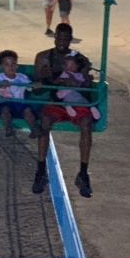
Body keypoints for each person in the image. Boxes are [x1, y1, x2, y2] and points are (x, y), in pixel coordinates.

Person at [32, 24, 95, 197]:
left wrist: (79, 81)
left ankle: (83, 172)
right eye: (59, 38)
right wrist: (45, 77)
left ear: (70, 39)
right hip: (56, 101)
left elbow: (87, 84)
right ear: (55, 38)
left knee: (86, 124)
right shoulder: (43, 57)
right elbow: (37, 88)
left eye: (65, 39)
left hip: (75, 102)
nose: (61, 42)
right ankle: (40, 169)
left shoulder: (79, 59)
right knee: (44, 122)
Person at [0, 50, 41, 139]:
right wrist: (1, 84)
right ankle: (8, 128)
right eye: (7, 64)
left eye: (13, 64)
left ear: (17, 65)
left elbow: (29, 85)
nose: (11, 67)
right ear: (0, 66)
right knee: (4, 110)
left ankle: (34, 129)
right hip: (4, 102)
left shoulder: (22, 77)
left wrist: (35, 85)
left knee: (27, 110)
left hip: (19, 103)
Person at [54, 54, 102, 121]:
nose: (70, 67)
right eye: (68, 64)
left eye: (72, 65)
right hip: (68, 93)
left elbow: (83, 82)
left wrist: (87, 77)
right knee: (66, 101)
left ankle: (91, 107)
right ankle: (69, 107)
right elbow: (59, 81)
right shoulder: (65, 73)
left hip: (77, 94)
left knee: (84, 101)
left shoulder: (79, 75)